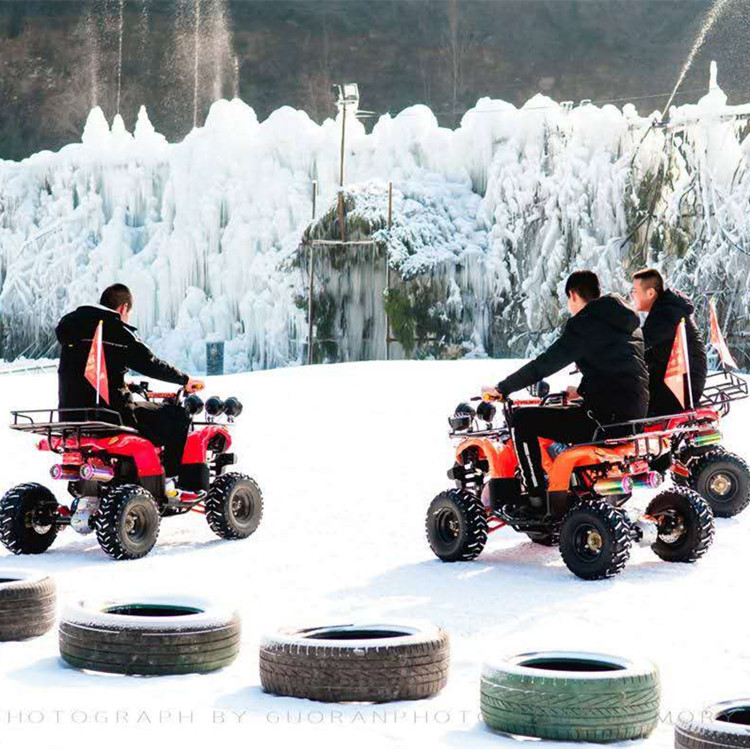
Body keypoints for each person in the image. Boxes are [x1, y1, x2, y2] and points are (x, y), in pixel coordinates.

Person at [485, 271, 649, 511]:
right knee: (566, 413)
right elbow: (617, 369)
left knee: (522, 420)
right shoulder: (625, 323)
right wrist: (582, 391)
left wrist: (502, 388)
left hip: (604, 418)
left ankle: (535, 496)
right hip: (634, 415)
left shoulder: (586, 322)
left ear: (573, 295)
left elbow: (546, 363)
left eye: (568, 301)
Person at [56, 283, 204, 477]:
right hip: (111, 416)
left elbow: (92, 370)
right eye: (128, 313)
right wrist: (184, 380)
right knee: (178, 416)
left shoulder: (72, 326)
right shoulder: (117, 330)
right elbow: (151, 364)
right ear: (123, 308)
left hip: (71, 416)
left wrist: (124, 384)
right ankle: (171, 480)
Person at [631, 268, 707, 416]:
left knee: (628, 401)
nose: (632, 296)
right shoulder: (665, 309)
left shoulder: (666, 313)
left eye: (634, 291)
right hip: (677, 382)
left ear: (651, 293)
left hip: (681, 387)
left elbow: (640, 342)